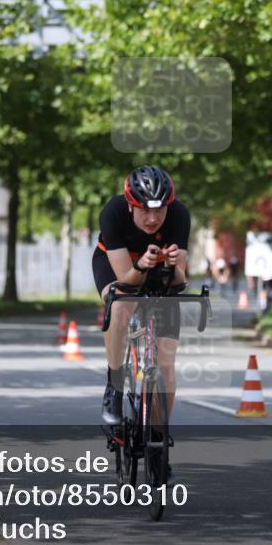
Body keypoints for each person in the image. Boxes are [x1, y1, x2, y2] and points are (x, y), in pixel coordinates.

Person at [92, 165, 189, 478]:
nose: (152, 219)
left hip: (159, 273)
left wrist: (174, 267)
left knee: (166, 361)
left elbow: (179, 283)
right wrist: (142, 263)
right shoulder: (112, 213)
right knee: (120, 306)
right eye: (145, 212)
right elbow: (125, 283)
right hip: (119, 266)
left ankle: (159, 437)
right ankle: (116, 383)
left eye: (160, 211)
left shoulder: (180, 216)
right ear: (130, 205)